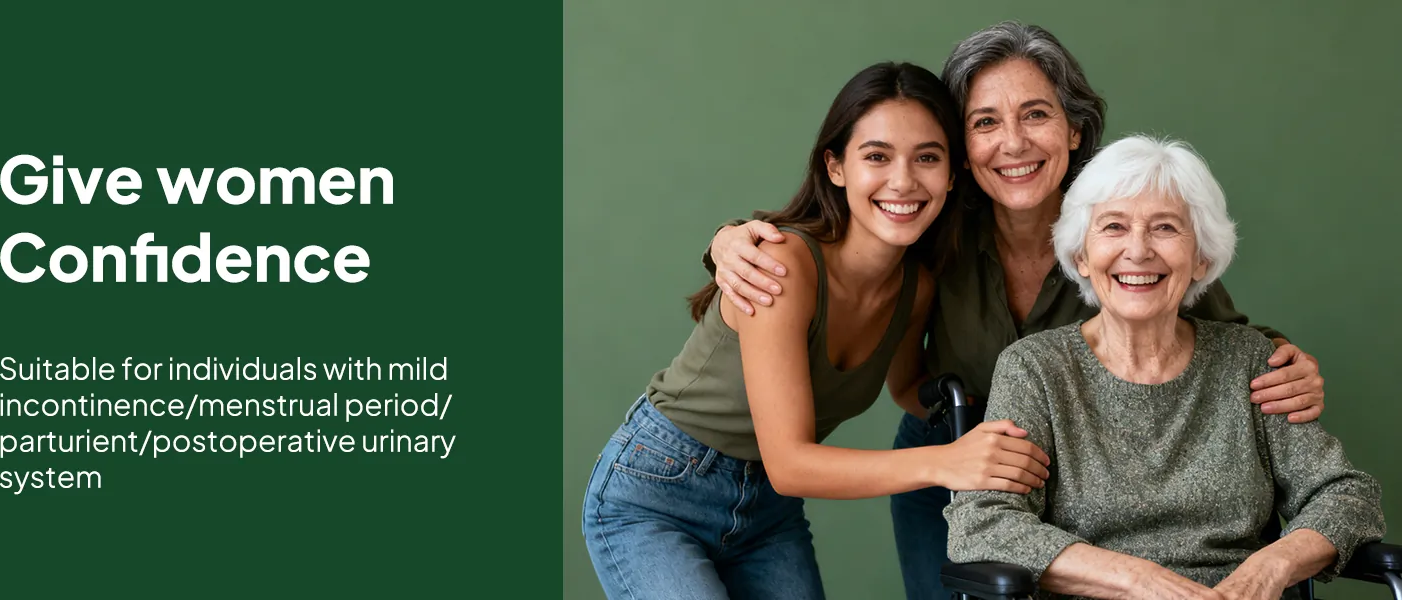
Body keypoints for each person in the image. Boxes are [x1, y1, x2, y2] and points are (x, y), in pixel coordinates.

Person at [703, 21, 1327, 599]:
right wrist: (729, 240)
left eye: (1037, 115)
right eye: (984, 123)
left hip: (1077, 474)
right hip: (948, 452)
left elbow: (1214, 331)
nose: (1013, 143)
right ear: (959, 150)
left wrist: (1289, 365)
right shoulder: (927, 223)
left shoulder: (1124, 239)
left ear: (1074, 129)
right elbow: (837, 239)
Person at [581, 62, 1054, 600]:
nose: (903, 180)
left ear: (952, 174)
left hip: (766, 515)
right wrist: (948, 462)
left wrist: (1003, 426)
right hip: (658, 493)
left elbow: (908, 388)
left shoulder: (915, 287)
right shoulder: (783, 265)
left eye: (927, 157)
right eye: (876, 156)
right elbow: (790, 464)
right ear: (835, 166)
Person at [942, 134, 1385, 600]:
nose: (1138, 250)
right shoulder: (1035, 370)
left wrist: (1268, 570)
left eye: (1166, 228)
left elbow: (1348, 496)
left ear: (1202, 259)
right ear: (1080, 256)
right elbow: (984, 521)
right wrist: (1144, 582)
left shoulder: (1249, 360)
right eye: (1113, 227)